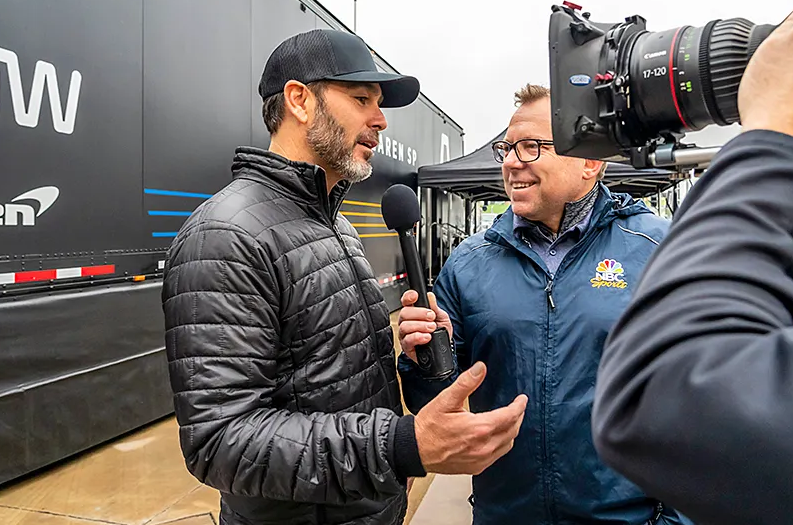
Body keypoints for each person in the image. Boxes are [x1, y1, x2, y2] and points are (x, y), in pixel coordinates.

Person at [161, 29, 527, 525]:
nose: (379, 121)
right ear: (299, 101)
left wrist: (415, 357)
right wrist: (400, 447)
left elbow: (337, 382)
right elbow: (222, 442)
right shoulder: (225, 236)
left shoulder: (339, 225)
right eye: (361, 99)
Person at [591, 0, 793, 525]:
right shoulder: (474, 260)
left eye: (531, 146)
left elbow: (668, 399)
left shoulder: (649, 238)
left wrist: (784, 131)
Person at [397, 83, 691, 524]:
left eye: (532, 146)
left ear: (590, 160)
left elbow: (704, 404)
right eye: (508, 148)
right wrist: (424, 359)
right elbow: (436, 404)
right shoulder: (468, 263)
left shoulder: (657, 248)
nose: (513, 162)